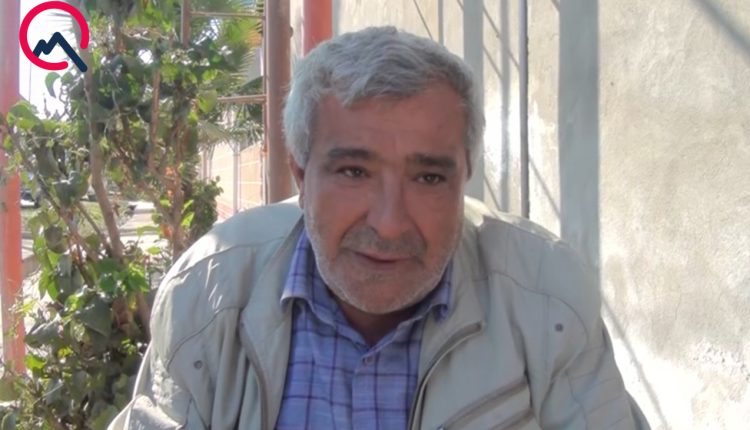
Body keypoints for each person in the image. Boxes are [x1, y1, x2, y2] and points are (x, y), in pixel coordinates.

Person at [110, 26, 649, 429]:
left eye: (429, 177)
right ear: (301, 173)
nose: (390, 224)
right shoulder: (208, 297)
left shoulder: (546, 297)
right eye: (354, 172)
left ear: (465, 175)